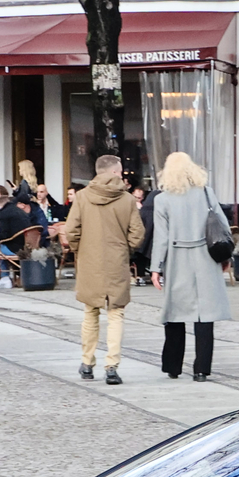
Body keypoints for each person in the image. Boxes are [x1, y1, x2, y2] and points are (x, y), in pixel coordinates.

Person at [150, 151, 231, 382]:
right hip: (205, 257)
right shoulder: (206, 193)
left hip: (178, 258)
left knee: (174, 313)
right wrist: (226, 258)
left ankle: (173, 366)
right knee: (205, 315)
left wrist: (156, 268)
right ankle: (202, 369)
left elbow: (161, 238)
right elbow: (222, 227)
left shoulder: (162, 199)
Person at [63, 153, 144, 385]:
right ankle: (112, 365)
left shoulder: (82, 197)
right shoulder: (127, 200)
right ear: (115, 172)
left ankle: (87, 362)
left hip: (90, 261)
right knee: (116, 313)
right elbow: (137, 234)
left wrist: (81, 250)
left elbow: (71, 230)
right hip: (116, 261)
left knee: (90, 312)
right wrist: (124, 249)